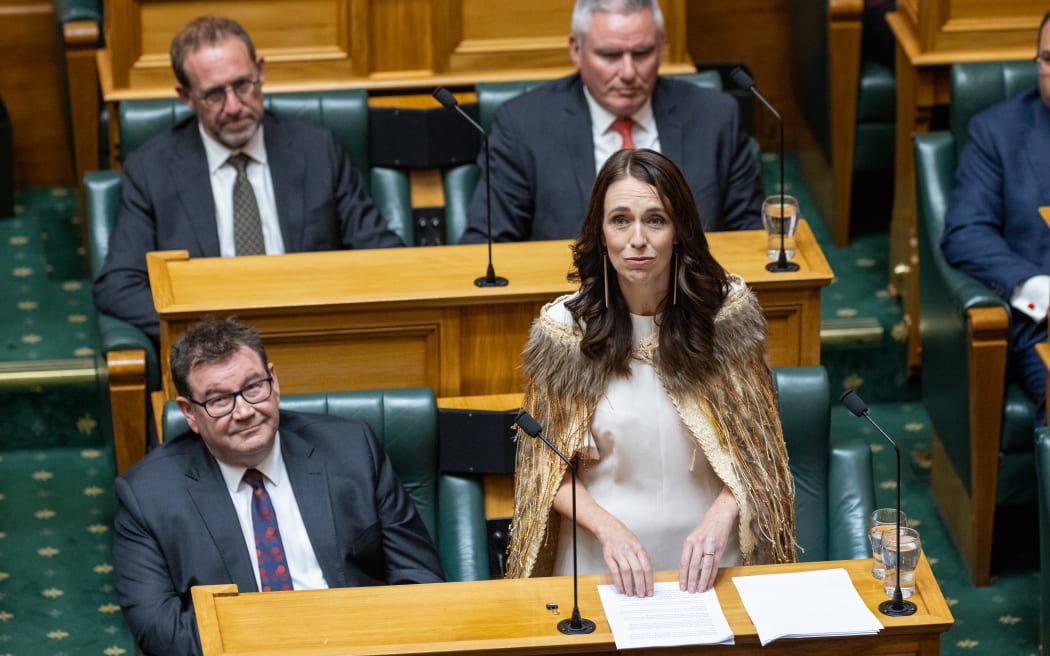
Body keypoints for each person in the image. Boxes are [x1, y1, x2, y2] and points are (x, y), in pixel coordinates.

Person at [506, 149, 796, 597]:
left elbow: (761, 454)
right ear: (601, 234)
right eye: (620, 220)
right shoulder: (565, 331)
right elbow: (545, 470)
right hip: (601, 561)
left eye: (655, 220)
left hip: (713, 562)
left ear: (679, 231)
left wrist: (722, 517)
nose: (636, 239)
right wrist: (608, 530)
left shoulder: (724, 317)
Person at [112, 316, 443, 656]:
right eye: (219, 401)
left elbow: (419, 578)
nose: (244, 411)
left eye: (254, 387)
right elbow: (160, 633)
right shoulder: (147, 495)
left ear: (274, 380)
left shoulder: (352, 449)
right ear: (190, 413)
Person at [93, 16, 403, 346]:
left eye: (243, 85)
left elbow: (384, 257)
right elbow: (119, 285)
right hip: (212, 359)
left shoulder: (316, 150)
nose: (234, 107)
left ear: (261, 71)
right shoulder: (151, 169)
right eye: (214, 95)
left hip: (313, 338)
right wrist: (211, 339)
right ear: (186, 96)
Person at [460, 0, 763, 244]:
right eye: (610, 55)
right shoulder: (523, 125)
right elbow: (487, 247)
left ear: (661, 47)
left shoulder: (715, 116)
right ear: (576, 51)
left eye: (642, 52)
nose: (629, 72)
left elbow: (754, 237)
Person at [940, 10, 1050, 423]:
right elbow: (966, 231)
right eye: (1049, 60)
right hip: (1045, 326)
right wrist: (1040, 289)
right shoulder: (997, 132)